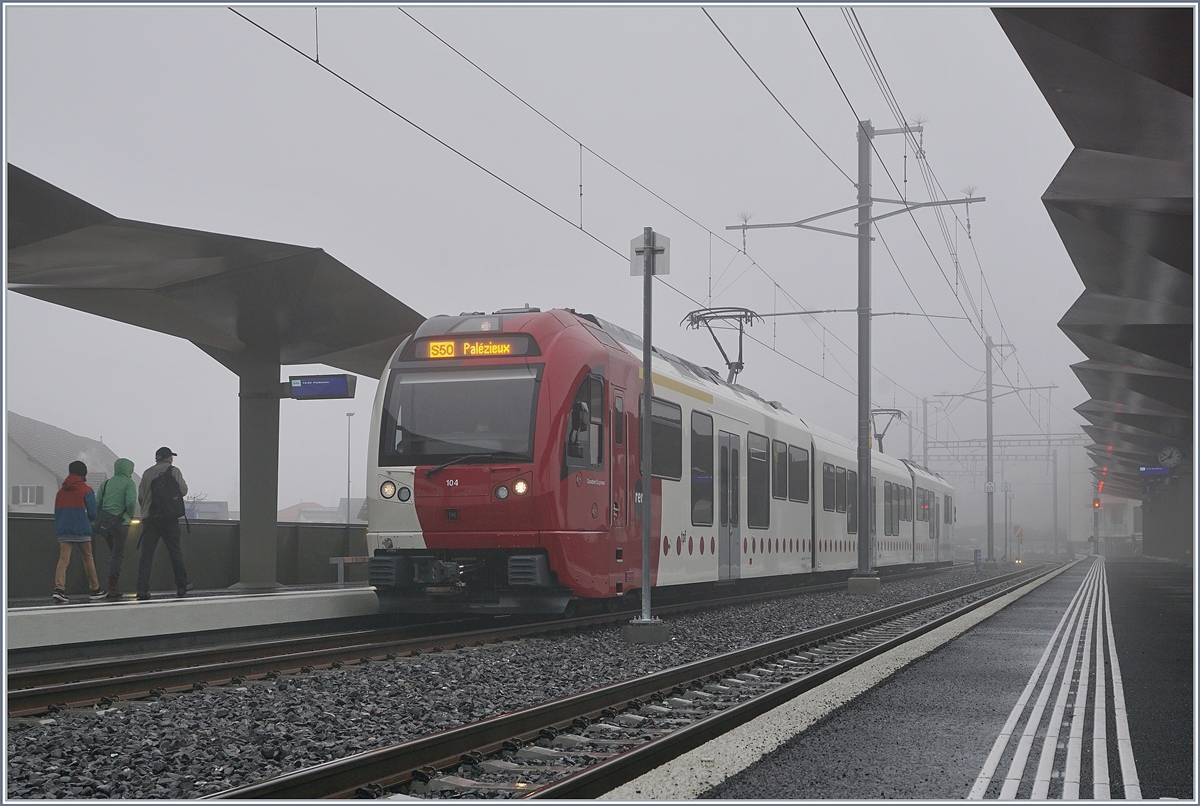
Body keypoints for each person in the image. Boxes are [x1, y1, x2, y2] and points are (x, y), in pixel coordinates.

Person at [135, 447, 192, 600]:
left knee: (147, 554)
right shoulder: (174, 471)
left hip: (150, 519)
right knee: (175, 552)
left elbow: (141, 497)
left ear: (156, 459)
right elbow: (184, 490)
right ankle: (181, 585)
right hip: (169, 518)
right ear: (170, 459)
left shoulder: (147, 473)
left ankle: (142, 588)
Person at [53, 460, 105, 603]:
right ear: (84, 472)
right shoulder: (86, 490)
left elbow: (57, 512)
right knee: (87, 558)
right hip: (82, 529)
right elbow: (93, 513)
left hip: (64, 530)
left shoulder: (61, 491)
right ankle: (95, 589)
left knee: (63, 560)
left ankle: (59, 589)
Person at [95, 458, 137, 601]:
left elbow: (97, 502)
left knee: (113, 553)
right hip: (121, 523)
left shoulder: (106, 483)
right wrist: (130, 516)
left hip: (106, 524)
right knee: (117, 555)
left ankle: (113, 586)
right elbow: (131, 502)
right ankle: (112, 587)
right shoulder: (129, 483)